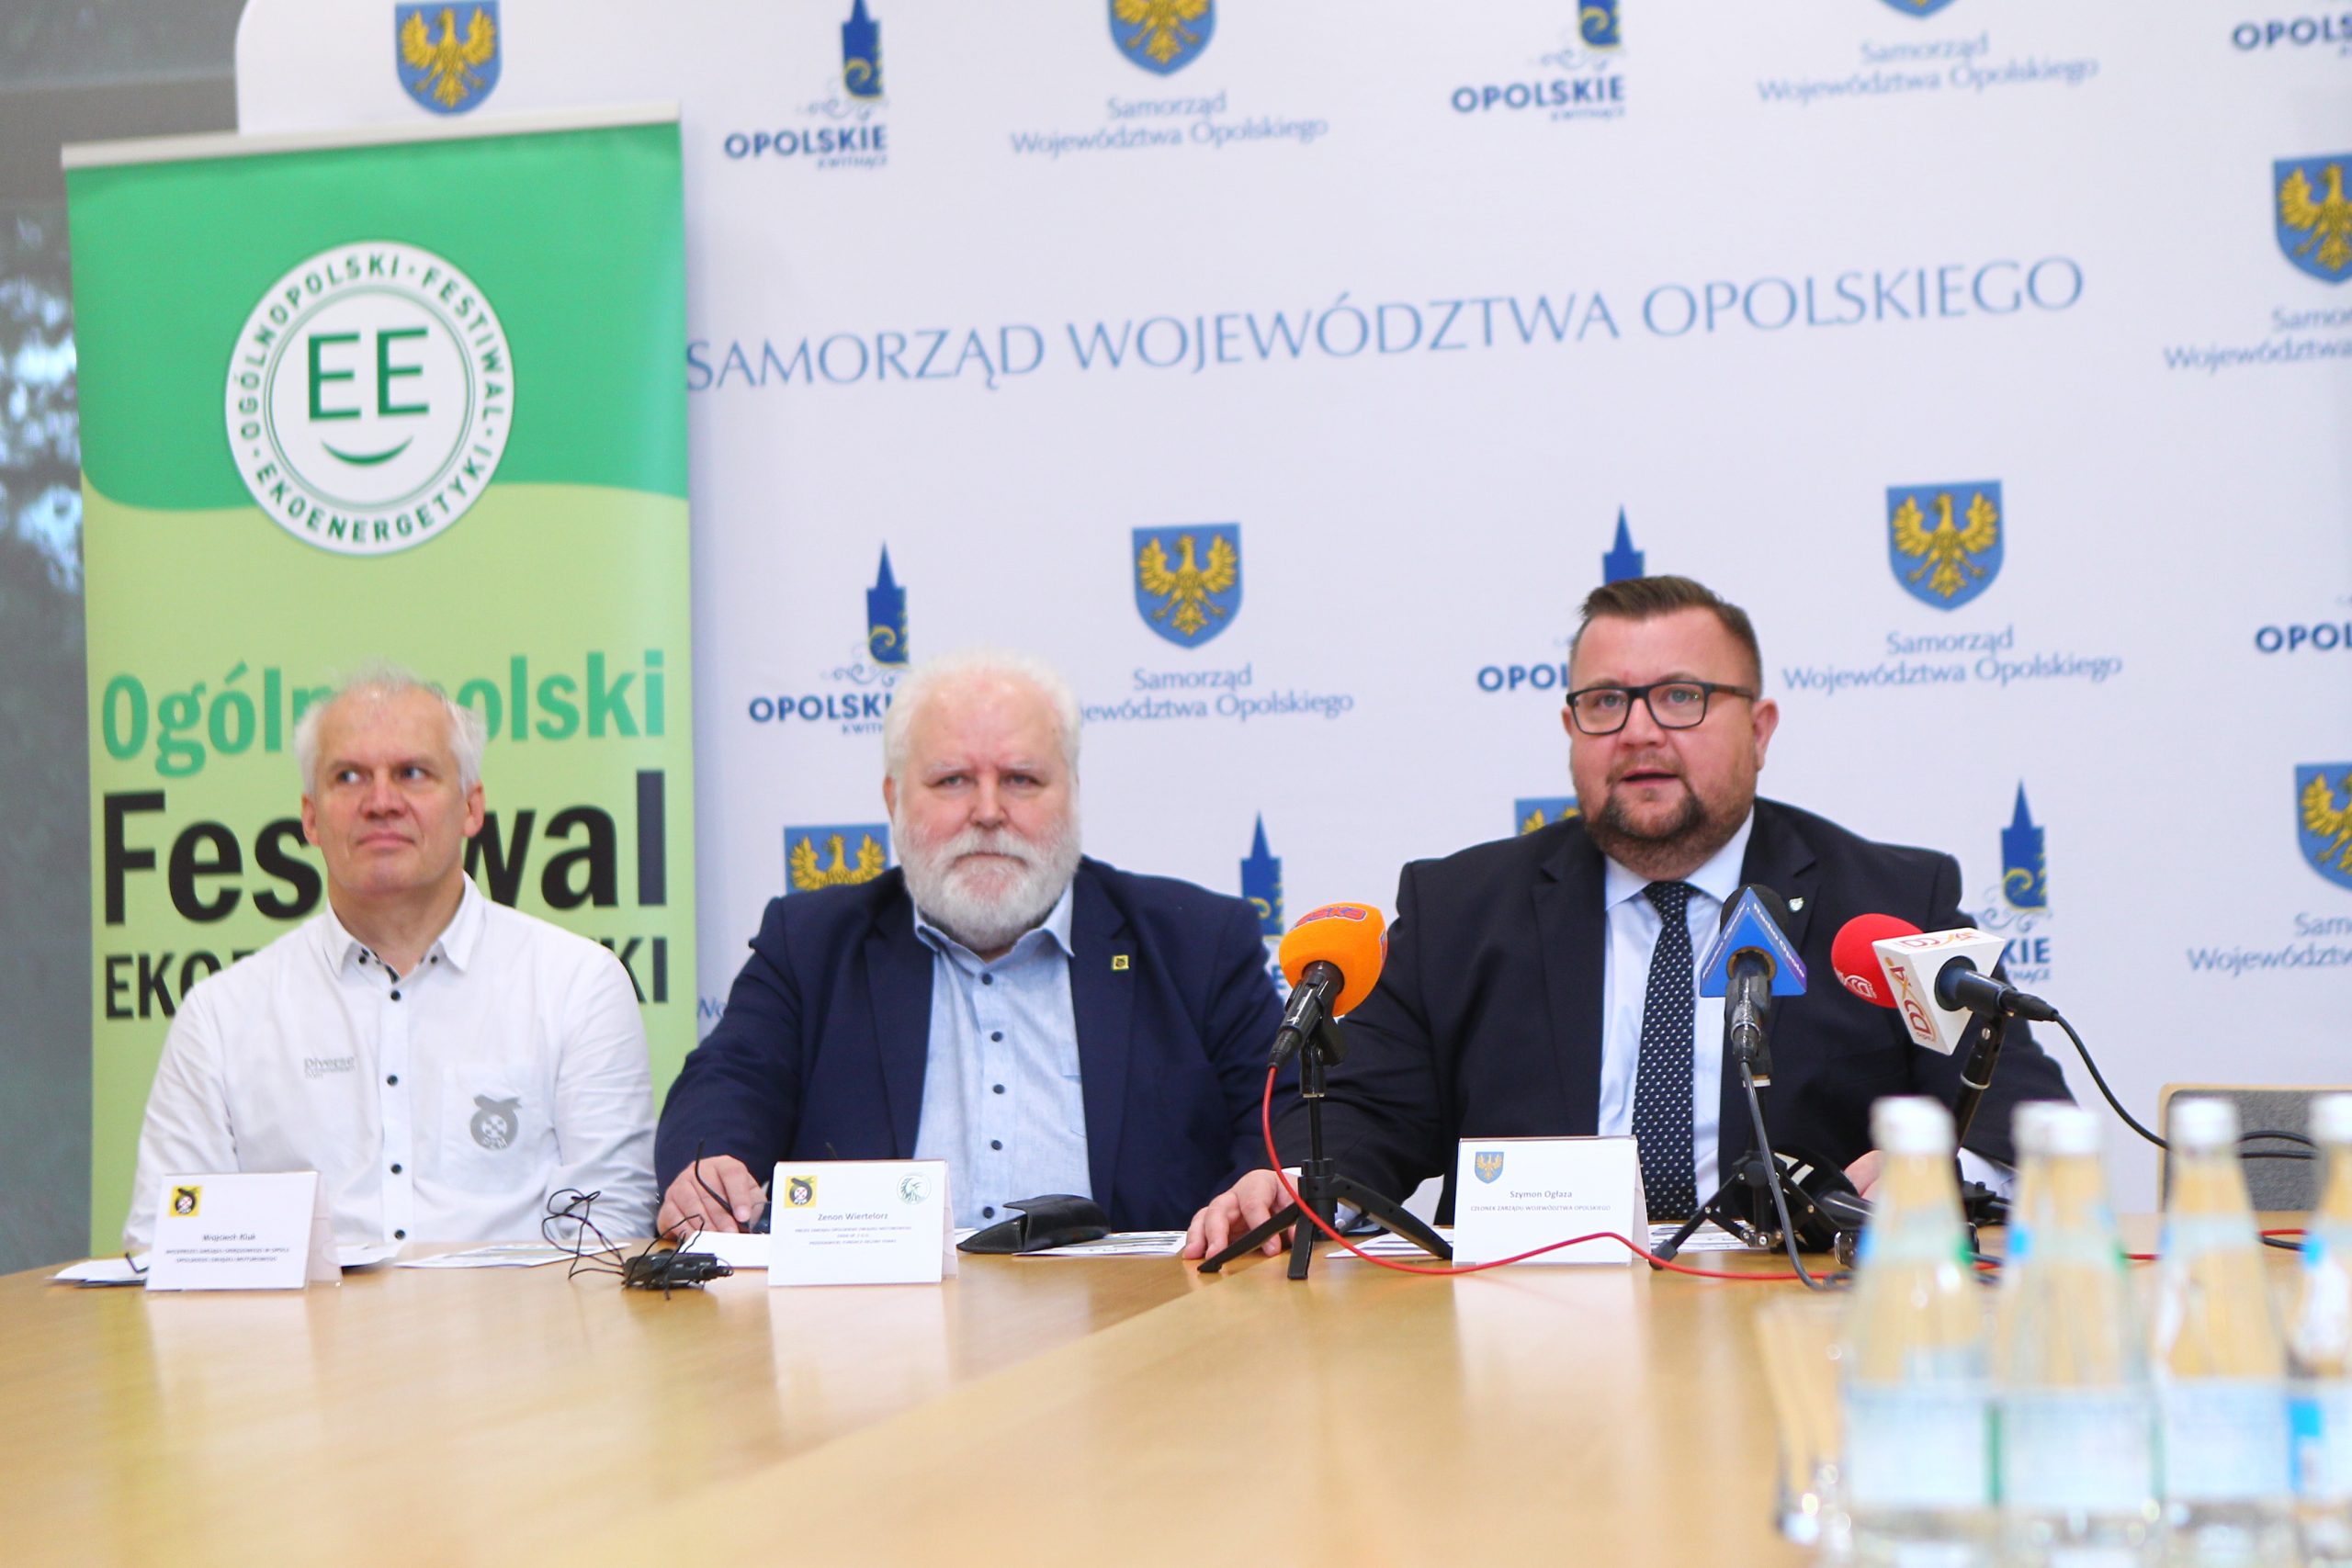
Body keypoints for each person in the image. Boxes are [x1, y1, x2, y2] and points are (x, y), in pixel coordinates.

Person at [1183, 575, 2071, 1258]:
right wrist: (1297, 1186)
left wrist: (1939, 1169)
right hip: (1524, 1328)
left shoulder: (1889, 901)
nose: (1640, 731)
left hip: (1793, 1310)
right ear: (1571, 728)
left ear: (1760, 729)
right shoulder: (1458, 909)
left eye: (1682, 696)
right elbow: (1360, 1119)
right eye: (1605, 702)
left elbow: (2018, 1117)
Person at [654, 649, 1284, 1236]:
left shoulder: (1197, 944)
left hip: (1145, 1312)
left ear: (1073, 792)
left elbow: (1285, 1116)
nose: (987, 811)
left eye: (1021, 779)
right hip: (878, 1315)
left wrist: (1262, 1185)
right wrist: (711, 1167)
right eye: (953, 780)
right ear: (894, 798)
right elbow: (729, 1083)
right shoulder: (811, 946)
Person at [122, 664, 657, 1252]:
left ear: (471, 807)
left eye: (412, 773)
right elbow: (165, 1244)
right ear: (310, 818)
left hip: (522, 1315)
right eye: (349, 776)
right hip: (298, 1318)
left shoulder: (577, 984)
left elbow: (611, 1233)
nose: (381, 802)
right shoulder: (221, 1016)